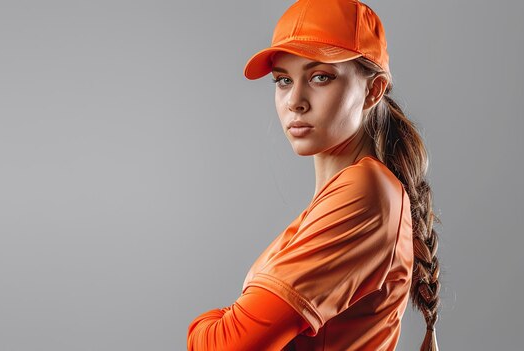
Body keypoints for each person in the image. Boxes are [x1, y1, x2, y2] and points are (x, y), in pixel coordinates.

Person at [187, 0, 441, 350]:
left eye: (320, 77)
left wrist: (207, 323)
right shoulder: (343, 196)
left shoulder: (364, 193)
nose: (295, 101)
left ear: (372, 90)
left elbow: (223, 345)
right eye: (283, 80)